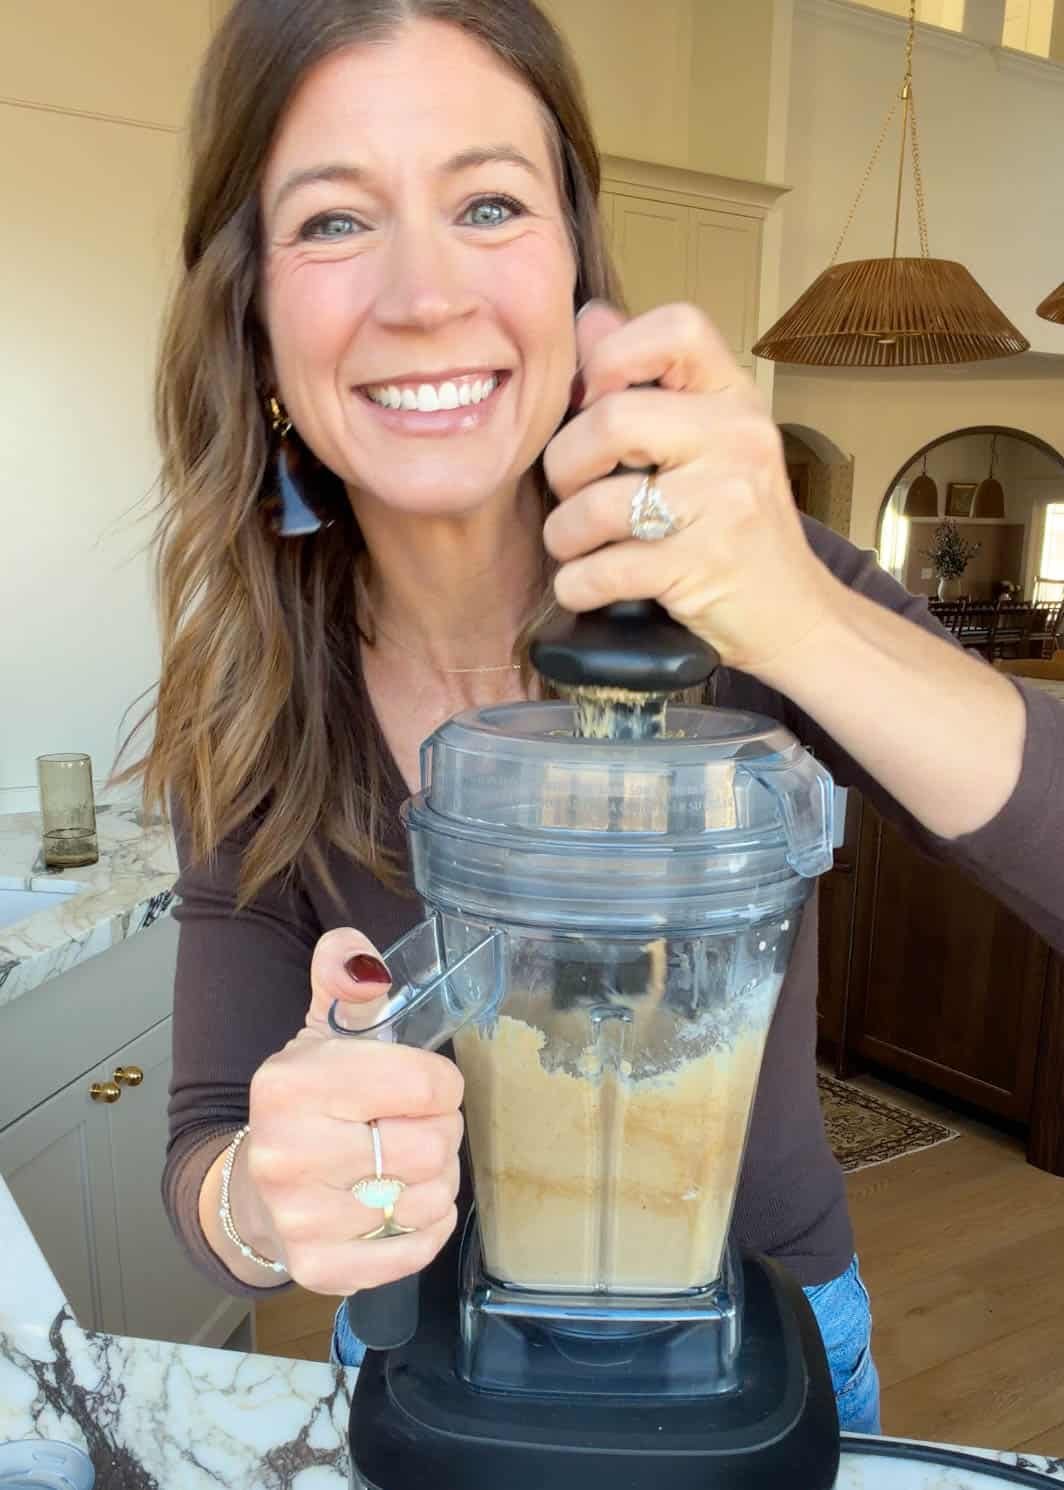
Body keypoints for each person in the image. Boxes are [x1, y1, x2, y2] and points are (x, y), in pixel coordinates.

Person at [138, 0, 1064, 1439]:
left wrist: (800, 616)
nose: (425, 291)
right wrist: (266, 1193)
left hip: (768, 1334)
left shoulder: (746, 582)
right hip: (430, 1362)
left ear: (577, 271)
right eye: (333, 223)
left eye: (489, 201)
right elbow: (206, 1144)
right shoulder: (253, 700)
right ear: (254, 316)